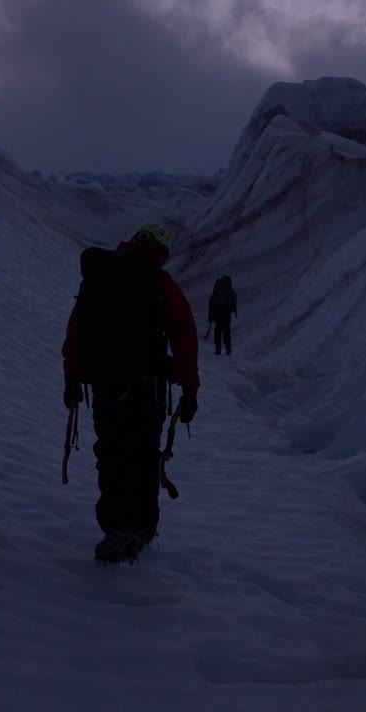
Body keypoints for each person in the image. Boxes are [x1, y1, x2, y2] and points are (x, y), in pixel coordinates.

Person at [62, 223, 200, 564]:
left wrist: (72, 380)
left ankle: (116, 529)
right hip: (147, 389)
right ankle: (140, 527)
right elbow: (184, 335)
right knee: (143, 454)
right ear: (158, 252)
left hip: (106, 386)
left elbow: (76, 331)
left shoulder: (100, 276)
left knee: (111, 453)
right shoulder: (160, 285)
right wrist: (190, 388)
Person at [208, 275, 238, 355]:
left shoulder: (218, 290)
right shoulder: (230, 291)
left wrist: (212, 315)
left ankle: (218, 349)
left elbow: (212, 301)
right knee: (226, 332)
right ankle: (228, 349)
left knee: (218, 331)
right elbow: (233, 301)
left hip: (218, 315)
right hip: (226, 315)